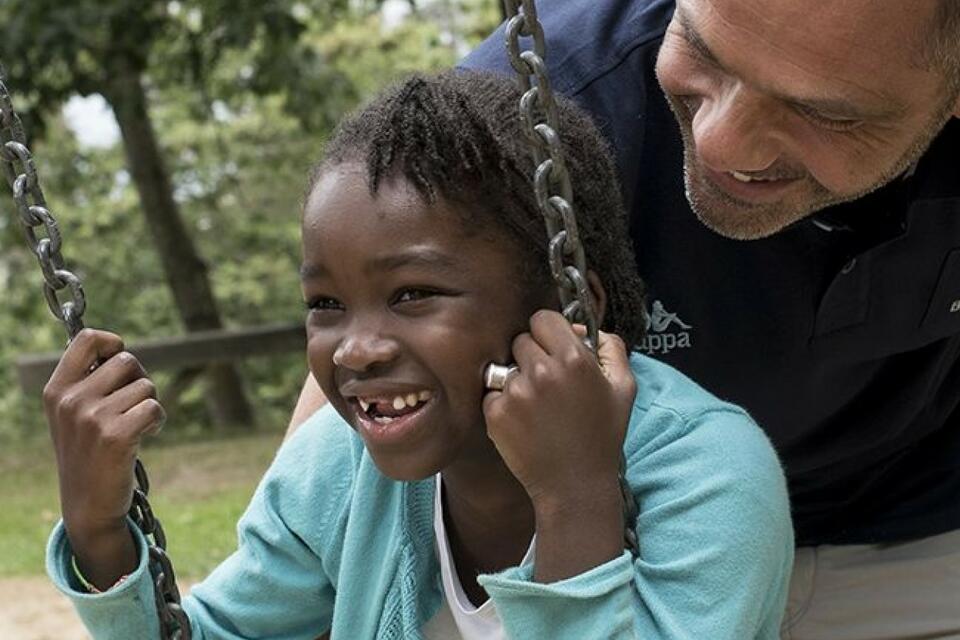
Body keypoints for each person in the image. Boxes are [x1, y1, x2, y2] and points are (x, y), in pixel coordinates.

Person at [291, 1, 960, 637]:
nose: (718, 141)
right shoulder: (535, 106)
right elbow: (365, 364)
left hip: (915, 532)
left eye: (823, 113)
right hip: (624, 545)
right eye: (702, 52)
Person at [44, 71, 792, 639]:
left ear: (573, 308)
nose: (358, 349)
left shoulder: (709, 478)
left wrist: (576, 496)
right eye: (326, 305)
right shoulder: (338, 470)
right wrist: (100, 530)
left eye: (413, 294)